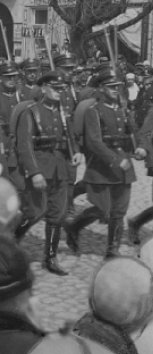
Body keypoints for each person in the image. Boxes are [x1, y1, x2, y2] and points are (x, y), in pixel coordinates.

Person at [66, 68, 147, 257]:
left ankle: (112, 250)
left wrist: (142, 147)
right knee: (103, 209)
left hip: (124, 166)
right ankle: (74, 227)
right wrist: (115, 160)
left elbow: (135, 132)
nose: (115, 90)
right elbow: (94, 141)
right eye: (111, 87)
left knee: (119, 210)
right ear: (101, 89)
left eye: (117, 86)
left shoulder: (123, 110)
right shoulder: (93, 111)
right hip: (102, 166)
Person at [15, 70, 83, 274]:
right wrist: (34, 172)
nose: (58, 92)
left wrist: (77, 152)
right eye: (55, 88)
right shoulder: (31, 111)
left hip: (59, 168)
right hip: (41, 168)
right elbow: (25, 145)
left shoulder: (63, 112)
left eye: (61, 89)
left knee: (57, 214)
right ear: (44, 88)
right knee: (35, 212)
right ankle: (10, 239)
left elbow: (70, 137)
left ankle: (50, 258)